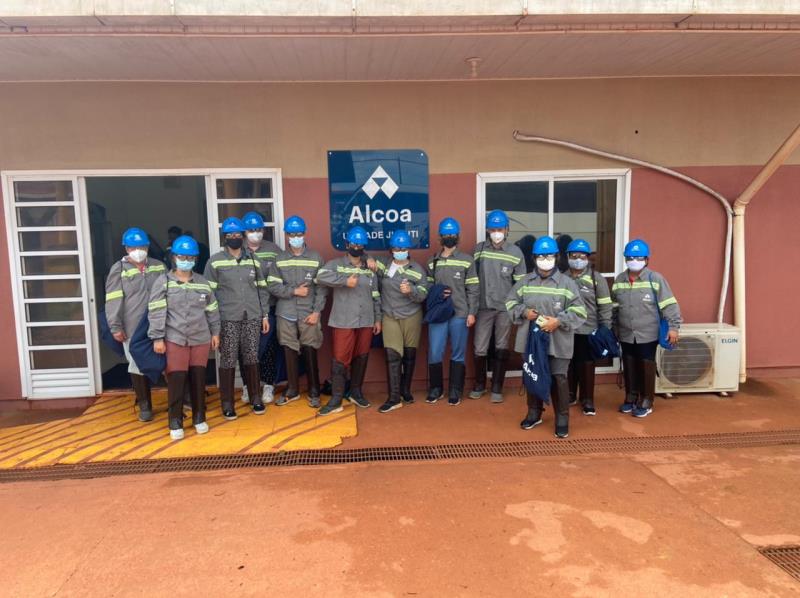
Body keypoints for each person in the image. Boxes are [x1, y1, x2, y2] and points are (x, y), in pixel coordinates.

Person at [506, 236, 587, 438]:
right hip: (531, 341)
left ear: (557, 257)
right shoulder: (525, 282)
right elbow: (510, 303)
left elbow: (580, 312)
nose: (545, 260)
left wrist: (558, 321)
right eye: (541, 256)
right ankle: (534, 412)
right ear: (534, 258)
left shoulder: (567, 284)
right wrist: (524, 312)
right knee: (533, 373)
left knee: (558, 377)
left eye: (549, 256)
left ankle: (562, 417)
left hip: (558, 341)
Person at [148, 235, 220, 440]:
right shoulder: (163, 282)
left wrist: (215, 332)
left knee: (198, 379)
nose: (186, 260)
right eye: (182, 256)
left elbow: (212, 310)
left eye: (190, 257)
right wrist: (157, 338)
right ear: (174, 257)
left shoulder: (203, 283)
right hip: (175, 339)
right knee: (176, 381)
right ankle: (175, 421)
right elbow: (156, 311)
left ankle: (199, 418)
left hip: (200, 339)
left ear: (195, 259)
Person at [204, 217, 270, 420]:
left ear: (243, 236)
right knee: (228, 359)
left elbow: (262, 289)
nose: (234, 237)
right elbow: (209, 295)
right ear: (224, 237)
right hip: (227, 318)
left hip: (252, 316)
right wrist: (214, 324)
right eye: (230, 234)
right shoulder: (215, 261)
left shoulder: (253, 259)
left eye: (237, 234)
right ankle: (227, 403)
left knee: (251, 356)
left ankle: (255, 398)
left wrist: (264, 315)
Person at [611, 239, 681, 418]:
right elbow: (614, 307)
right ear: (625, 259)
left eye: (639, 257)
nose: (634, 261)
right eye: (630, 257)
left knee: (646, 365)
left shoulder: (655, 279)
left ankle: (646, 400)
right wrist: (613, 328)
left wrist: (673, 327)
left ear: (647, 260)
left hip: (648, 333)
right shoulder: (619, 280)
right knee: (629, 364)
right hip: (625, 333)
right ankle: (631, 397)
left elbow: (669, 305)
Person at [316, 226, 382, 415]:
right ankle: (336, 399)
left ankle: (355, 392)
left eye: (360, 245)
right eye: (354, 244)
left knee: (362, 356)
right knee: (340, 359)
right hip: (343, 320)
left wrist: (377, 319)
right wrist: (344, 281)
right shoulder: (336, 264)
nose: (357, 247)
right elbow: (320, 276)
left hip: (366, 320)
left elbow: (376, 295)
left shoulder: (370, 268)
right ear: (347, 245)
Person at [104, 227, 166, 422]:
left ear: (147, 247)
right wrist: (115, 326)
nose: (138, 251)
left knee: (167, 361)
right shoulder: (118, 270)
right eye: (133, 247)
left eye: (142, 247)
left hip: (158, 323)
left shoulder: (159, 266)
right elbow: (113, 299)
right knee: (136, 364)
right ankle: (144, 405)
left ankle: (180, 398)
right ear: (126, 248)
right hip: (132, 325)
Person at [267, 215, 327, 408]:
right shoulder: (279, 259)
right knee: (289, 349)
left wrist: (317, 312)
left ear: (304, 234)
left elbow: (322, 288)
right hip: (285, 312)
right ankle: (292, 390)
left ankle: (314, 390)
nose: (295, 237)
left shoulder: (316, 258)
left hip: (309, 312)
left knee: (310, 348)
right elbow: (273, 286)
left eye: (299, 234)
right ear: (286, 235)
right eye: (292, 234)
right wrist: (294, 291)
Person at [470, 210, 526, 403]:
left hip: (504, 308)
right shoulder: (479, 250)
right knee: (480, 347)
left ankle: (497, 387)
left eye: (500, 229)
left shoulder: (515, 253)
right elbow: (472, 279)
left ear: (507, 230)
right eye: (493, 229)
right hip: (483, 307)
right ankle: (479, 385)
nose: (496, 233)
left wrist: (517, 307)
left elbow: (520, 285)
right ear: (487, 230)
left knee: (501, 347)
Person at [425, 217, 479, 406]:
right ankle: (436, 389)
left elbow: (473, 289)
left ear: (458, 236)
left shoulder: (467, 261)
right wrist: (437, 293)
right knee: (435, 351)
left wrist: (472, 312)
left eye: (452, 234)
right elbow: (427, 288)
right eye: (446, 234)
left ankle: (455, 390)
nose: (449, 237)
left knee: (458, 352)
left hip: (460, 313)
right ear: (440, 237)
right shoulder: (432, 261)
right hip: (438, 315)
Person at [375, 230, 428, 413]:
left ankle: (405, 390)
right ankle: (394, 398)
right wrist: (369, 260)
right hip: (390, 315)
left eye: (403, 248)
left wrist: (411, 291)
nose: (400, 251)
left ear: (408, 249)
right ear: (391, 249)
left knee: (409, 355)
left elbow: (423, 294)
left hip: (412, 315)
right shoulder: (384, 265)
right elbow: (365, 260)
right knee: (392, 355)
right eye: (397, 248)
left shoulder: (417, 269)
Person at [565, 239, 613, 416]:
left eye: (582, 256)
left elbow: (605, 306)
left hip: (588, 329)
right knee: (569, 363)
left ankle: (587, 399)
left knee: (586, 364)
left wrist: (605, 328)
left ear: (588, 258)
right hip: (567, 329)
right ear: (568, 257)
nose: (578, 259)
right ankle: (570, 394)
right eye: (574, 256)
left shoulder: (596, 278)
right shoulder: (562, 278)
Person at [241, 211, 283, 405]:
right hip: (244, 309)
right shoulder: (237, 250)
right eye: (251, 230)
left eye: (258, 229)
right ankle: (247, 385)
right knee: (245, 349)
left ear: (263, 230)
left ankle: (268, 384)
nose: (255, 233)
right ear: (244, 232)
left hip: (270, 307)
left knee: (268, 348)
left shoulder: (273, 250)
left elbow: (282, 274)